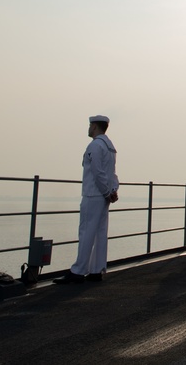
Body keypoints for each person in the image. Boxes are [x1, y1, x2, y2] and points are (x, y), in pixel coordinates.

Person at [55, 115, 119, 284]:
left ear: (95, 127)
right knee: (100, 232)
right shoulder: (110, 146)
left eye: (90, 125)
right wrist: (112, 190)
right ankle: (96, 270)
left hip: (93, 194)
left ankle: (78, 271)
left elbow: (98, 172)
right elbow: (111, 172)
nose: (88, 128)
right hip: (103, 195)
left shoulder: (95, 146)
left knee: (86, 232)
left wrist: (106, 192)